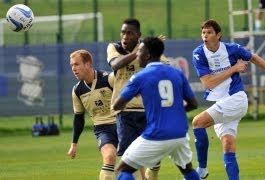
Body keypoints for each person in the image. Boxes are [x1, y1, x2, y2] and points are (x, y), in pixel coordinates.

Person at [191, 19, 265, 180]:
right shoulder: (199, 53)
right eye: (203, 32)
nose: (205, 35)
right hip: (222, 102)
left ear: (218, 35)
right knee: (228, 145)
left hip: (236, 99)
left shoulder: (231, 49)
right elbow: (208, 82)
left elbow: (254, 57)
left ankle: (201, 170)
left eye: (209, 32)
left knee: (197, 122)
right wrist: (234, 68)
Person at [112, 36, 200, 180]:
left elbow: (117, 105)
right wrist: (172, 112)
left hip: (157, 134)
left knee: (122, 170)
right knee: (188, 169)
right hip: (180, 133)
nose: (137, 55)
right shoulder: (177, 73)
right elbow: (193, 104)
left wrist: (135, 94)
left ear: (147, 55)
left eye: (139, 51)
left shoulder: (139, 77)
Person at [106, 18, 168, 180]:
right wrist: (140, 51)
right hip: (124, 112)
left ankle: (153, 170)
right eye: (123, 32)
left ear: (138, 35)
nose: (125, 36)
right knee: (129, 157)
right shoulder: (114, 48)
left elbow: (165, 68)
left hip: (148, 110)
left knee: (153, 153)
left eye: (130, 33)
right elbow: (115, 65)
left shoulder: (149, 52)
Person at [67, 49, 118, 180]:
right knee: (109, 157)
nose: (73, 68)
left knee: (134, 164)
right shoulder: (77, 90)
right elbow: (78, 117)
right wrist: (74, 144)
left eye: (76, 64)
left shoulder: (109, 79)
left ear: (88, 64)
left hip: (122, 124)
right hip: (103, 129)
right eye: (72, 65)